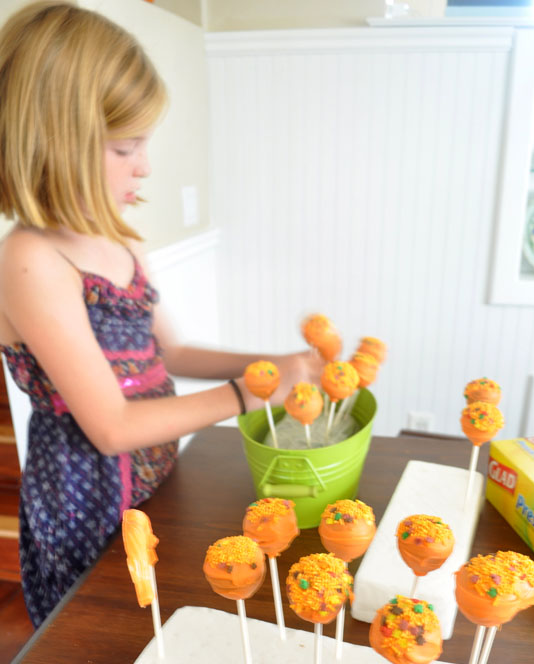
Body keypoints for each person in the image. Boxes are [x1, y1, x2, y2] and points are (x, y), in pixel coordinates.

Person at [0, 2, 321, 628]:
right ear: (55, 144)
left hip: (157, 472)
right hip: (89, 500)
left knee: (164, 615)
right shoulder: (30, 262)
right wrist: (250, 392)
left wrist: (275, 365)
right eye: (126, 147)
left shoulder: (118, 237)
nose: (145, 165)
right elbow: (112, 428)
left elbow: (169, 353)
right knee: (105, 632)